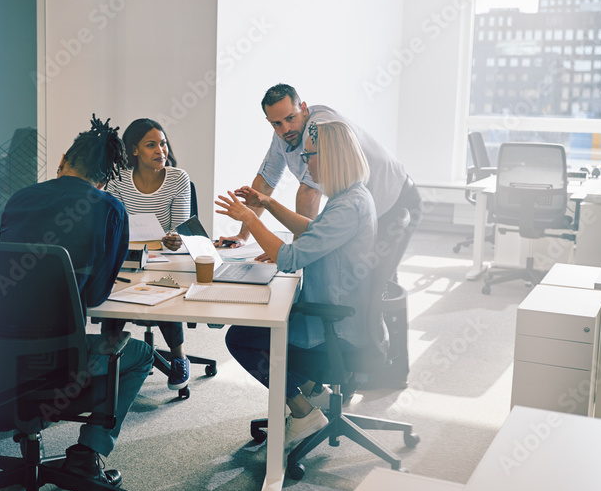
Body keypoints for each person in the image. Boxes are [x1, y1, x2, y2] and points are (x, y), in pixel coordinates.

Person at [0, 115, 153, 488]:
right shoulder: (109, 208)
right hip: (60, 359)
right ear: (105, 178)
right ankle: (88, 453)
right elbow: (97, 296)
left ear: (64, 157)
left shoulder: (20, 199)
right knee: (140, 355)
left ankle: (28, 425)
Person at [214, 119, 384, 447]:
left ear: (330, 157)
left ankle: (303, 411)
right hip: (342, 314)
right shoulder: (352, 197)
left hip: (335, 327)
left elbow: (290, 257)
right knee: (262, 323)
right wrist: (267, 203)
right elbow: (313, 231)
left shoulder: (348, 206)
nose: (305, 163)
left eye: (309, 156)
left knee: (241, 337)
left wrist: (249, 218)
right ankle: (310, 389)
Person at [217, 84, 421, 286]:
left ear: (304, 108)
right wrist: (244, 234)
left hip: (396, 198)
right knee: (370, 284)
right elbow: (266, 181)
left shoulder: (320, 131)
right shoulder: (285, 134)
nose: (285, 129)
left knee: (378, 283)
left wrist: (294, 252)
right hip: (367, 207)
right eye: (276, 123)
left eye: (290, 118)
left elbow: (309, 191)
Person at [103, 118, 193, 389]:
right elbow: (111, 223)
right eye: (151, 145)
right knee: (114, 291)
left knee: (166, 287)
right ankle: (107, 358)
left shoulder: (178, 178)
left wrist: (176, 240)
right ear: (134, 150)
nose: (160, 151)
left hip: (166, 257)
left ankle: (178, 356)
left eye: (163, 143)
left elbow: (181, 230)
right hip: (127, 254)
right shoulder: (118, 179)